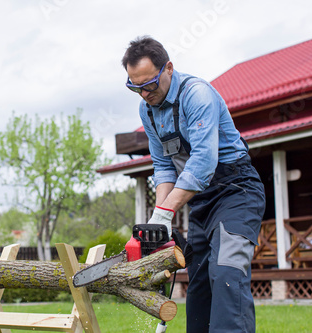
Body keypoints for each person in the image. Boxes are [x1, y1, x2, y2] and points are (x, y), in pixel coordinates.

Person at [121, 36, 265, 333]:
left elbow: (203, 162)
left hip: (236, 190)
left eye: (149, 84)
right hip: (202, 199)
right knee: (198, 280)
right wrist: (157, 218)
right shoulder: (147, 110)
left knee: (226, 271)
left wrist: (165, 212)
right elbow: (163, 166)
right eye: (135, 87)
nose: (144, 93)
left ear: (169, 68)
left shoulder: (196, 95)